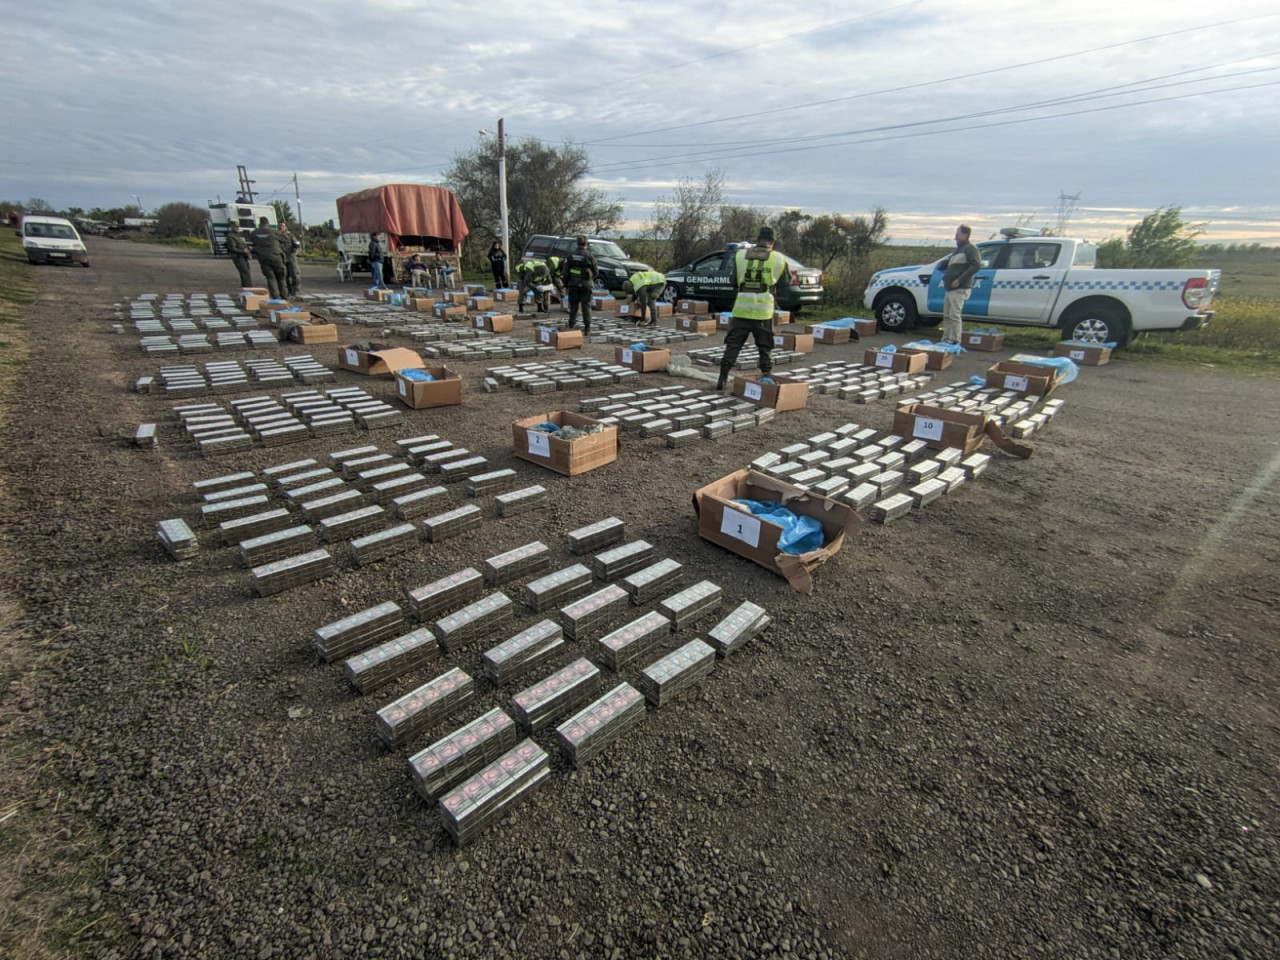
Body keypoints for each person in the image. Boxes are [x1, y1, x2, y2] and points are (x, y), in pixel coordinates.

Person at [716, 226, 790, 391]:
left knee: (733, 345)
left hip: (741, 310)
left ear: (757, 240)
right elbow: (785, 283)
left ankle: (722, 378)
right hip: (763, 312)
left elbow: (732, 281)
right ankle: (766, 378)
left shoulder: (740, 255)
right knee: (765, 347)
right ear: (773, 242)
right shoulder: (779, 258)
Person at [942, 224, 982, 344]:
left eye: (957, 234)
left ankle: (955, 340)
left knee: (954, 315)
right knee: (947, 315)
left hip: (959, 288)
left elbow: (976, 265)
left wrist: (959, 280)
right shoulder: (958, 251)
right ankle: (946, 339)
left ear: (965, 235)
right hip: (950, 288)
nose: (955, 237)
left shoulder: (970, 249)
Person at [561, 235, 598, 334]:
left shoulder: (570, 256)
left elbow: (565, 273)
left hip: (573, 285)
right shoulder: (589, 256)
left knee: (573, 306)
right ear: (586, 244)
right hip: (586, 285)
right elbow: (596, 271)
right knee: (586, 306)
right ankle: (587, 328)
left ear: (577, 243)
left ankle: (571, 326)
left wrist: (565, 284)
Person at [250, 217, 288, 300]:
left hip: (263, 258)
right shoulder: (273, 232)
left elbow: (253, 242)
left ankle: (275, 297)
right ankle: (284, 296)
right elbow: (285, 239)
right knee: (281, 277)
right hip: (276, 257)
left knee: (270, 277)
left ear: (260, 224)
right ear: (268, 223)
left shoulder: (254, 233)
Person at [224, 222, 252, 287]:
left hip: (243, 256)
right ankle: (248, 288)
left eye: (238, 227)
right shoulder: (230, 236)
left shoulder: (237, 236)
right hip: (238, 257)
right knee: (245, 273)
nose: (237, 228)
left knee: (246, 273)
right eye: (235, 227)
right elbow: (232, 248)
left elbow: (241, 245)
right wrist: (243, 251)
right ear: (232, 227)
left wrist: (247, 248)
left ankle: (247, 287)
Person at [278, 224, 301, 297]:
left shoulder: (290, 235)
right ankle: (289, 290)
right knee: (285, 275)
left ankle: (295, 289)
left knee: (294, 274)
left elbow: (297, 244)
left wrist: (294, 251)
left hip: (290, 257)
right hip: (282, 258)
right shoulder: (277, 236)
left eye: (282, 226)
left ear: (286, 227)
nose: (281, 227)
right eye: (280, 226)